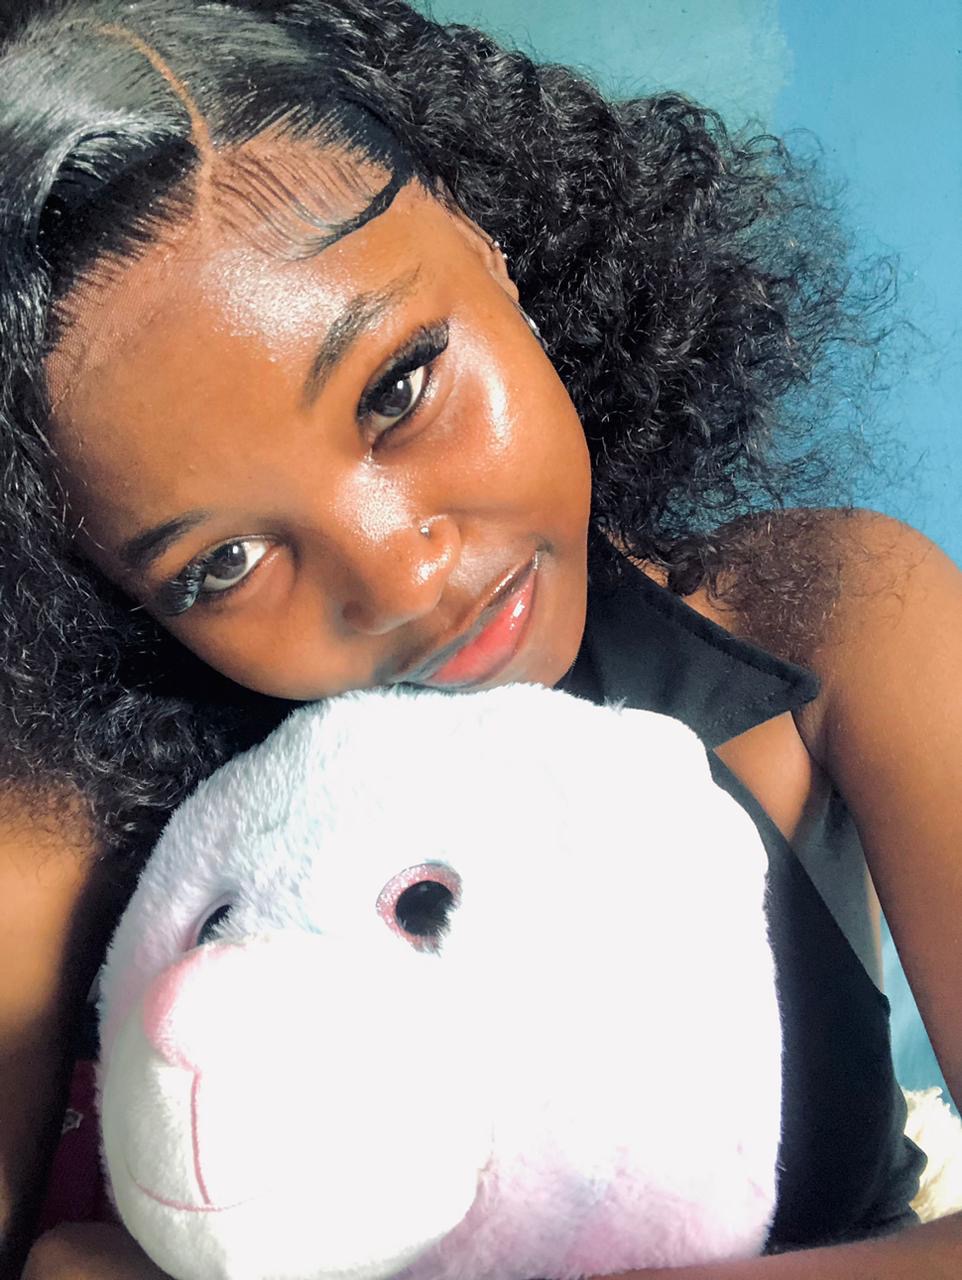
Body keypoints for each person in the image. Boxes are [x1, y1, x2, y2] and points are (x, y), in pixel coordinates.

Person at [0, 1, 959, 1276]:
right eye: (219, 563)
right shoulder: (75, 803)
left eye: (396, 388)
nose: (401, 576)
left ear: (483, 239)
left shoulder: (825, 608)